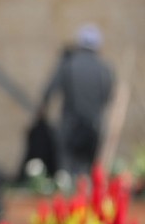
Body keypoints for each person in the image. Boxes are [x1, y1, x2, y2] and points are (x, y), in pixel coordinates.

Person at [38, 23, 114, 178]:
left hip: (70, 126)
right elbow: (108, 97)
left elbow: (50, 91)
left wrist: (42, 112)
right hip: (93, 126)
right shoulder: (104, 69)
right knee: (87, 172)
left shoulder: (68, 64)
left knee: (66, 171)